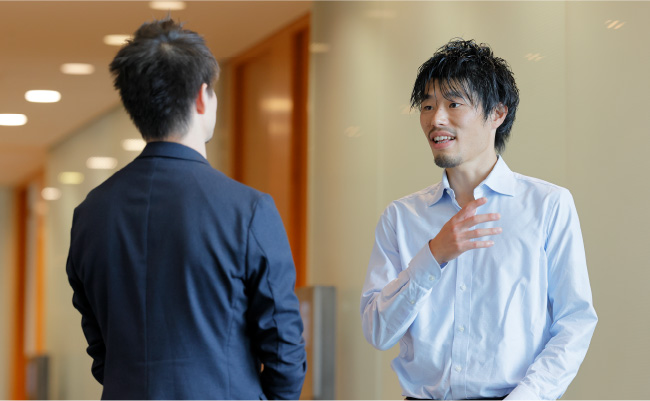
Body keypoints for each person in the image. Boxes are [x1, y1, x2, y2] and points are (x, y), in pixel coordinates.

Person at [66, 18, 306, 400]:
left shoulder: (90, 214)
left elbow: (101, 349)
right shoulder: (247, 210)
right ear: (201, 96)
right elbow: (284, 348)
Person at [360, 39, 597, 400]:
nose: (436, 119)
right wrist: (433, 256)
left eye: (453, 104)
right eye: (427, 105)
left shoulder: (548, 205)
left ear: (497, 113)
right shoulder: (400, 217)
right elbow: (378, 332)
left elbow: (574, 322)